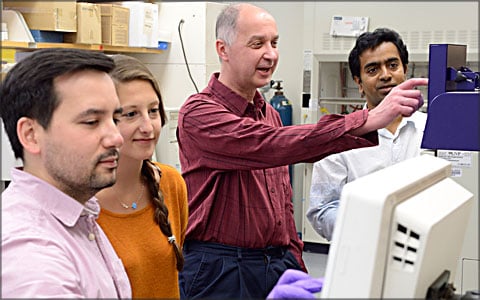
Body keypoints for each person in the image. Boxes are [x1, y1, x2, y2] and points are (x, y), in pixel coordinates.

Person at [176, 3, 427, 299]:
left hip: (274, 262)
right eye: (257, 44)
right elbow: (267, 144)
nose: (270, 54)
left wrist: (294, 264)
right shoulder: (199, 113)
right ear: (223, 49)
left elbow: (282, 205)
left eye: (274, 43)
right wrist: (366, 121)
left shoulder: (268, 113)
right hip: (221, 269)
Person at [0, 48, 131, 298]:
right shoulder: (31, 255)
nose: (116, 137)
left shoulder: (79, 214)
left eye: (115, 119)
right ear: (30, 134)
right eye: (91, 122)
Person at [306, 28, 428, 241]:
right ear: (359, 84)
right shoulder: (340, 139)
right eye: (372, 70)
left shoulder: (431, 130)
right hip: (363, 254)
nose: (386, 75)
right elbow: (322, 209)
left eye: (392, 65)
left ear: (405, 70)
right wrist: (366, 228)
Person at [95, 54, 188, 298]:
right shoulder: (81, 205)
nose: (148, 126)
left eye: (153, 111)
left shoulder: (170, 183)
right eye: (130, 114)